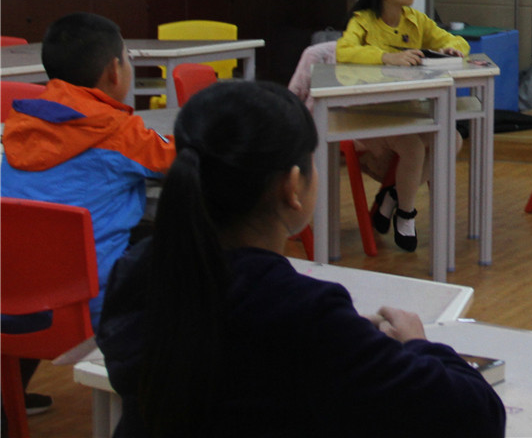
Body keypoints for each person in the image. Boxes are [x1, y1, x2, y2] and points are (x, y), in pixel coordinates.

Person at [97, 82, 505, 438]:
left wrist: (350, 341)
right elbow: (476, 417)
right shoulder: (303, 314)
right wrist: (419, 344)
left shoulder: (139, 272)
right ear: (293, 187)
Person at [0, 12, 175, 419]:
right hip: (85, 309)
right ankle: (150, 402)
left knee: (38, 260)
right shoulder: (118, 132)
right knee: (172, 248)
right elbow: (177, 159)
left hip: (10, 297)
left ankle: (8, 404)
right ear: (115, 70)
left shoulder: (20, 124)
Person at [336, 0, 468, 251]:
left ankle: (392, 196)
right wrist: (386, 56)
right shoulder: (363, 21)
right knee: (413, 147)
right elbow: (344, 51)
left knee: (452, 139)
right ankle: (406, 214)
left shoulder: (416, 20)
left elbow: (455, 40)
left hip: (406, 110)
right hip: (368, 113)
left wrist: (452, 49)